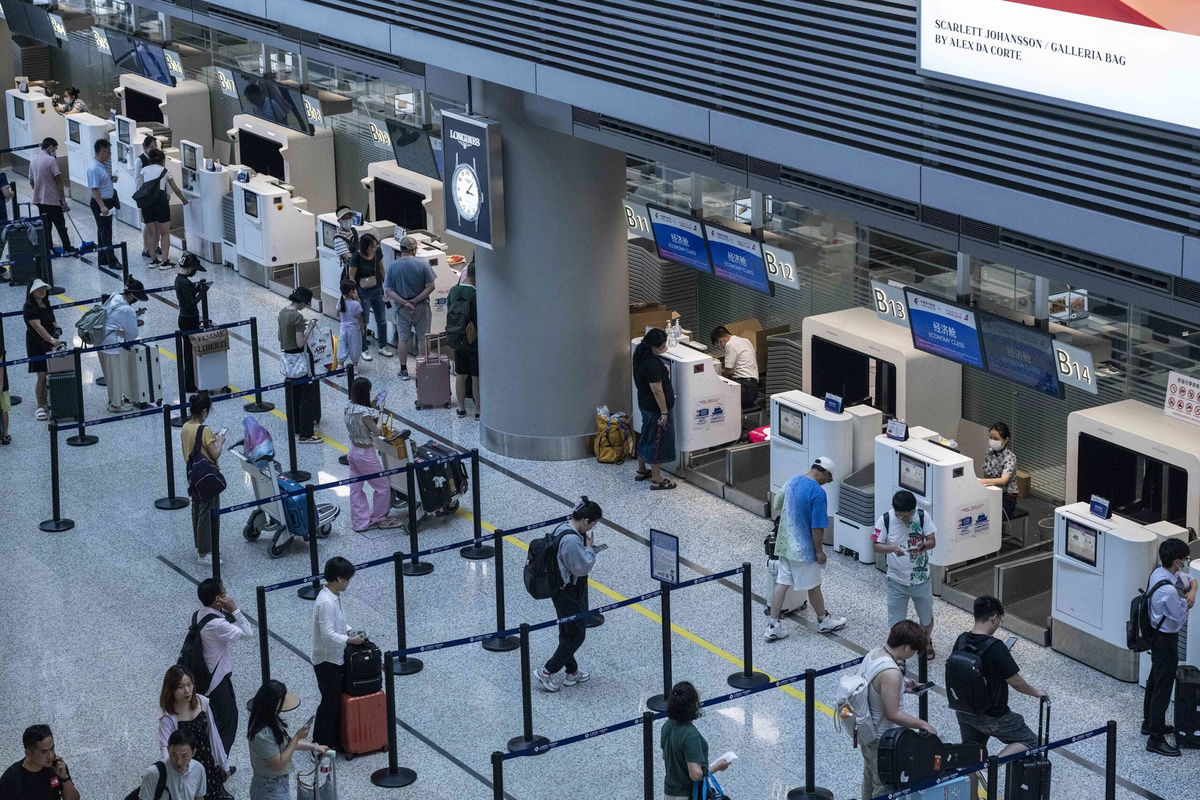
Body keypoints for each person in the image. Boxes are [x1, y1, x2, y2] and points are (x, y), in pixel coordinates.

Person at [951, 596, 1048, 758]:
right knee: (1032, 741)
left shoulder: (961, 640)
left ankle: (974, 779)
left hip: (964, 710)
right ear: (995, 618)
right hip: (992, 716)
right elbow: (1015, 682)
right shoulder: (996, 648)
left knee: (972, 755)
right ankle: (994, 764)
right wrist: (1036, 692)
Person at [765, 457, 847, 639]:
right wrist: (819, 552)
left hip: (785, 544)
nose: (827, 483)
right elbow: (817, 526)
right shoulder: (818, 493)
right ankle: (823, 620)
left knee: (782, 583)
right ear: (825, 473)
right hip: (803, 549)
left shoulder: (792, 480)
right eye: (829, 479)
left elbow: (777, 503)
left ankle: (773, 625)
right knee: (814, 586)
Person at [858, 621, 937, 800]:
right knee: (884, 788)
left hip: (867, 732)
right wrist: (922, 724)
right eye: (914, 650)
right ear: (906, 647)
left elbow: (876, 689)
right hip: (883, 739)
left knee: (869, 778)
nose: (913, 654)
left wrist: (902, 687)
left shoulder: (875, 654)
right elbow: (892, 714)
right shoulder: (891, 672)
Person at [534, 498, 603, 692]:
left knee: (567, 631)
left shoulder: (563, 527)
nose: (592, 528)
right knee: (577, 635)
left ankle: (572, 672)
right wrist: (590, 549)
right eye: (593, 524)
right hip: (568, 591)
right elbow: (582, 568)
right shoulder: (572, 540)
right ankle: (547, 671)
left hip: (560, 588)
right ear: (586, 521)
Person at [1143, 537, 1196, 757]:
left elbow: (1190, 580)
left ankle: (1149, 722)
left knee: (1155, 679)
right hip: (1166, 640)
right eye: (1184, 559)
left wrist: (1191, 589)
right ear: (1176, 561)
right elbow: (1180, 616)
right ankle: (1155, 738)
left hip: (1156, 636)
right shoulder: (1169, 592)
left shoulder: (1159, 573)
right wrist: (1188, 600)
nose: (1185, 562)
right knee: (1163, 688)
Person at [872, 490, 938, 657]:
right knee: (896, 622)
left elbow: (932, 541)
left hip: (921, 578)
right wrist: (892, 548)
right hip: (896, 579)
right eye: (900, 516)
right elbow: (876, 545)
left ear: (913, 510)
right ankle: (898, 653)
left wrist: (923, 545)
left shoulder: (923, 516)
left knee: (926, 617)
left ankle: (925, 640)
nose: (904, 519)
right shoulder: (885, 520)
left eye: (907, 516)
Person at [311, 557, 364, 750]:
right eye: (348, 579)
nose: (349, 583)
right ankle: (319, 744)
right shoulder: (326, 602)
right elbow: (327, 634)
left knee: (334, 702)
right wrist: (350, 640)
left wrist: (349, 630)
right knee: (329, 703)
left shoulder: (332, 597)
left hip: (334, 657)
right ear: (340, 578)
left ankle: (332, 740)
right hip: (327, 660)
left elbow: (337, 623)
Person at [195, 577, 252, 756]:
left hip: (205, 677)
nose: (227, 595)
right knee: (228, 724)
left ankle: (215, 763)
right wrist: (235, 609)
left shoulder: (200, 614)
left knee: (215, 723)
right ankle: (220, 767)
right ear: (217, 599)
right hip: (217, 682)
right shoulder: (217, 624)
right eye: (224, 593)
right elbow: (248, 633)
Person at [158, 665, 230, 800]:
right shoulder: (167, 718)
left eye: (189, 684)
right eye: (180, 687)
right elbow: (165, 748)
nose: (187, 690)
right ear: (171, 690)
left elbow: (213, 734)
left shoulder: (202, 702)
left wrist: (223, 762)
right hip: (186, 768)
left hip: (207, 762)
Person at [247, 680, 327, 800]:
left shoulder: (270, 720)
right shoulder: (262, 734)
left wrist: (315, 747)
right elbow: (279, 764)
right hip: (269, 789)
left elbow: (286, 745)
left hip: (275, 784)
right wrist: (297, 737)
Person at [344, 377, 402, 532]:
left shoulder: (348, 407)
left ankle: (360, 523)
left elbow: (361, 413)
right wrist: (380, 413)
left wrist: (371, 408)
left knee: (356, 488)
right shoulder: (366, 413)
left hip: (352, 451)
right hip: (365, 454)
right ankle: (379, 518)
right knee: (383, 486)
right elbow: (377, 431)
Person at [659, 681, 731, 800]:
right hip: (687, 795)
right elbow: (696, 774)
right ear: (692, 706)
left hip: (669, 791)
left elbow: (665, 756)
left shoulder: (667, 725)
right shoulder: (691, 736)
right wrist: (718, 766)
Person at [383, 235, 435, 380]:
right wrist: (416, 300)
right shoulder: (423, 264)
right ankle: (423, 370)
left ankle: (404, 370)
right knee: (423, 338)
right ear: (414, 249)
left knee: (403, 339)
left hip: (402, 309)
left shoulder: (393, 266)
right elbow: (431, 286)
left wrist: (405, 302)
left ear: (401, 249)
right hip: (421, 307)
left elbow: (388, 290)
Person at [182, 392, 226, 565]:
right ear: (204, 411)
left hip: (193, 473)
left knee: (197, 509)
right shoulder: (204, 429)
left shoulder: (185, 427)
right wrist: (220, 440)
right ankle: (204, 552)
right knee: (207, 512)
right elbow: (215, 452)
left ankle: (201, 545)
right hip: (207, 475)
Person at [632, 327, 677, 490]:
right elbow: (657, 390)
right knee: (657, 441)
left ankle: (642, 469)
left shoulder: (639, 355)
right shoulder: (652, 364)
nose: (666, 348)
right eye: (663, 346)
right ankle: (657, 479)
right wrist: (664, 412)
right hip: (656, 408)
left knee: (646, 435)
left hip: (644, 404)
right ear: (654, 346)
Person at [99, 278, 149, 412]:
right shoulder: (128, 310)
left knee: (108, 374)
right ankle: (116, 405)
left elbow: (113, 316)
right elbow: (131, 335)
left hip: (98, 338)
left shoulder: (115, 295)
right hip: (110, 344)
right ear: (133, 296)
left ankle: (112, 400)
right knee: (115, 374)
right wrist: (132, 319)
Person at [278, 286, 320, 444]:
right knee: (306, 398)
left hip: (286, 359)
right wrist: (308, 329)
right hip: (299, 360)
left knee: (293, 396)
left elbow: (279, 337)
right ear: (302, 301)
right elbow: (300, 342)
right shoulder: (297, 317)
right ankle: (306, 434)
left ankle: (295, 428)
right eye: (306, 304)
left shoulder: (282, 312)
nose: (306, 306)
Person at [0, 724, 80, 800]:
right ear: (29, 753)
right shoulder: (11, 779)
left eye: (52, 748)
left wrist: (64, 778)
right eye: (44, 752)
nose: (51, 756)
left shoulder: (57, 766)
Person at [140, 147, 188, 268]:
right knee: (165, 233)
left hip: (147, 204)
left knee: (151, 233)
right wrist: (183, 200)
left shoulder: (144, 170)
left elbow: (143, 188)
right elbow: (175, 189)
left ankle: (153, 261)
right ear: (162, 160)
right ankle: (164, 261)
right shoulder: (165, 171)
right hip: (160, 203)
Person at [22, 279, 61, 421]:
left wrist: (57, 327)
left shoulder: (46, 303)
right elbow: (38, 327)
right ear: (32, 292)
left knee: (52, 372)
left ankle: (49, 402)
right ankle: (40, 405)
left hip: (51, 342)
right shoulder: (29, 307)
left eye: (43, 288)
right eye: (38, 289)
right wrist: (51, 340)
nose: (42, 291)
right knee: (42, 375)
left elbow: (51, 319)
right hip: (37, 345)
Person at [28, 137, 72, 253]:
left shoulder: (34, 160)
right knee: (61, 226)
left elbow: (31, 180)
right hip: (52, 200)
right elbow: (58, 181)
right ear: (50, 147)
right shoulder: (51, 161)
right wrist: (62, 200)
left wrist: (37, 191)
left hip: (39, 201)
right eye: (55, 148)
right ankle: (67, 248)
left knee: (46, 226)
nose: (55, 151)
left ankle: (48, 248)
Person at [447, 261, 479, 418]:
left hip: (456, 338)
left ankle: (461, 408)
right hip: (473, 341)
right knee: (475, 376)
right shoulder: (476, 294)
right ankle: (479, 410)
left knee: (460, 374)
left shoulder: (453, 291)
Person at [348, 233, 388, 360]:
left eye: (376, 246)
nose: (374, 249)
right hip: (362, 292)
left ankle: (383, 346)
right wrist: (355, 295)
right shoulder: (356, 257)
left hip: (377, 289)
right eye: (372, 247)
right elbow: (352, 277)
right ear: (365, 247)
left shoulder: (378, 251)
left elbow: (382, 269)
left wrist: (385, 287)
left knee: (381, 320)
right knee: (363, 321)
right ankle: (364, 348)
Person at [138, 730, 206, 800]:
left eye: (184, 756)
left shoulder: (198, 769)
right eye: (174, 755)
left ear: (193, 752)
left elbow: (199, 797)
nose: (179, 762)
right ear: (168, 749)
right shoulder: (153, 773)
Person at [176, 254, 209, 394]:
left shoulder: (179, 280)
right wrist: (202, 292)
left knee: (188, 353)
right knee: (190, 354)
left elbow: (188, 295)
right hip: (189, 320)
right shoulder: (185, 283)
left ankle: (191, 382)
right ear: (189, 268)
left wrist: (196, 289)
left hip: (184, 319)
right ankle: (189, 384)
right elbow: (191, 304)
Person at [86, 139, 119, 268]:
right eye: (108, 152)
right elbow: (94, 189)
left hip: (106, 201)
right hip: (101, 202)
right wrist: (102, 206)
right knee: (106, 232)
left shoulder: (101, 166)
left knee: (102, 231)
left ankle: (103, 257)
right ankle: (112, 261)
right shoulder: (94, 168)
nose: (109, 155)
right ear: (102, 152)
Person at [710, 325, 759, 409]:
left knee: (718, 400)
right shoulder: (745, 340)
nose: (721, 348)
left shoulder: (730, 345)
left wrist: (718, 373)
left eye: (718, 346)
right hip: (753, 387)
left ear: (721, 340)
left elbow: (728, 371)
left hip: (744, 388)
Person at [979, 421, 1019, 518]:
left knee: (992, 516)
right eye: (991, 438)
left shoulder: (1010, 458)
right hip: (991, 490)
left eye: (996, 439)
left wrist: (984, 481)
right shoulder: (989, 452)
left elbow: (1003, 480)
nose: (992, 441)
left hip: (1006, 496)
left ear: (1005, 439)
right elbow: (986, 472)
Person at [137, 134, 159, 260]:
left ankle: (156, 246)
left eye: (155, 147)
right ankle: (146, 247)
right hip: (145, 196)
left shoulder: (157, 159)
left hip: (156, 195)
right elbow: (138, 180)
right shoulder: (140, 160)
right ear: (144, 147)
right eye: (151, 147)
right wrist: (140, 197)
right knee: (148, 223)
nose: (153, 149)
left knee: (157, 222)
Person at [337, 279, 363, 369]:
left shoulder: (340, 302)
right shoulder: (356, 304)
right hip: (354, 329)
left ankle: (340, 365)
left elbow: (337, 314)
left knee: (342, 345)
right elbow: (359, 317)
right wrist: (362, 329)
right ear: (352, 291)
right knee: (355, 346)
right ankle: (355, 367)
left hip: (343, 328)